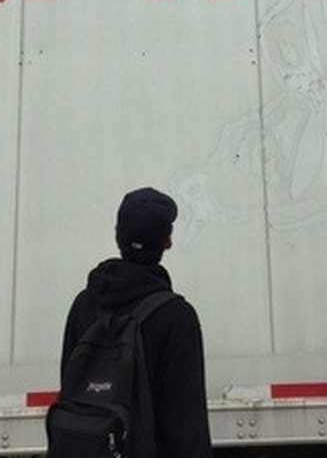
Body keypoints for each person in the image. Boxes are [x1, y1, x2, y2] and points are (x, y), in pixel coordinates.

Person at [59, 187, 214, 457]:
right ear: (168, 241)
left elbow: (71, 394)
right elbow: (186, 426)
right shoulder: (176, 316)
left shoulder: (84, 304)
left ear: (117, 235)